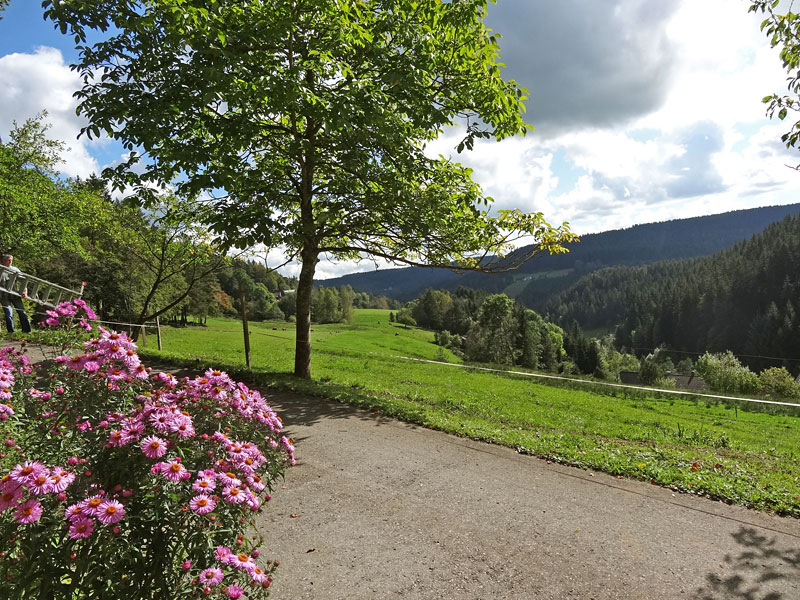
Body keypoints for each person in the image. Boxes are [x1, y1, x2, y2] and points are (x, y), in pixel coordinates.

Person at [0, 254, 31, 334]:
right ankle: (11, 332)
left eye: (11, 260)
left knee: (22, 312)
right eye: (8, 260)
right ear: (3, 261)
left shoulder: (15, 269)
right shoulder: (0, 269)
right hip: (4, 296)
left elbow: (23, 281)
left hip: (15, 295)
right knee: (8, 313)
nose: (10, 262)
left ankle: (27, 331)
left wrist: (25, 291)